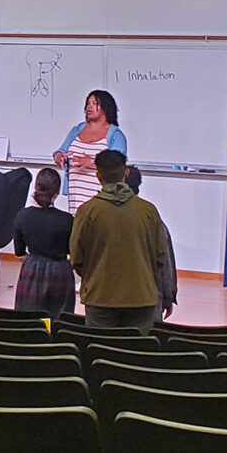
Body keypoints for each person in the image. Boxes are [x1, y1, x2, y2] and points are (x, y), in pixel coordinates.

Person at [70, 149, 167, 330]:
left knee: (101, 351)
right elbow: (160, 256)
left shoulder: (87, 211)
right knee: (135, 354)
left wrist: (96, 277)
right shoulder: (148, 211)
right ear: (126, 172)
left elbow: (77, 257)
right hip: (141, 297)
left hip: (100, 296)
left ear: (98, 175)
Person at [12, 167, 76, 319]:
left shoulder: (23, 215)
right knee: (59, 317)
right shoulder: (67, 219)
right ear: (57, 192)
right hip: (60, 271)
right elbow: (73, 251)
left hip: (32, 269)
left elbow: (19, 252)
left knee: (30, 318)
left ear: (36, 187)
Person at [52, 90, 128, 214]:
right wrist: (59, 156)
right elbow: (61, 150)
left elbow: (117, 162)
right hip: (75, 196)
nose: (89, 106)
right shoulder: (77, 130)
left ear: (106, 107)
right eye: (88, 103)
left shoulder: (115, 135)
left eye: (94, 103)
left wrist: (92, 162)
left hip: (101, 198)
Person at [125, 165, 177, 323]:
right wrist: (169, 296)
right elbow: (165, 262)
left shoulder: (97, 213)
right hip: (147, 298)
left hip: (106, 298)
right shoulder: (151, 217)